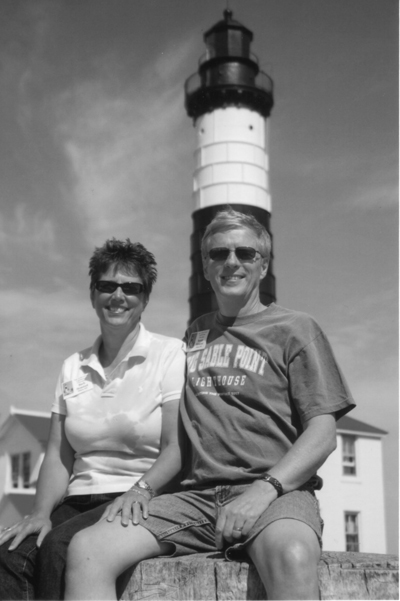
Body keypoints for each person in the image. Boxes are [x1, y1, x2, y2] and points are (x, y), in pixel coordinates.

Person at [65, 209, 355, 601]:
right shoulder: (195, 333)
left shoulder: (296, 329)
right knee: (87, 549)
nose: (231, 262)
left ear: (264, 264)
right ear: (205, 266)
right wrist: (142, 489)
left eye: (245, 253)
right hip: (194, 499)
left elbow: (323, 433)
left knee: (293, 555)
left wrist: (265, 489)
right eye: (219, 253)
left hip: (276, 495)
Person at [0, 239, 186, 600]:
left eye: (131, 288)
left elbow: (176, 447)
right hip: (77, 500)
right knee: (11, 554)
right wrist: (39, 513)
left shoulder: (170, 354)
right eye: (107, 285)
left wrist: (140, 490)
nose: (118, 296)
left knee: (60, 547)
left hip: (141, 496)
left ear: (146, 298)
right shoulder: (72, 366)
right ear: (92, 294)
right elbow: (59, 454)